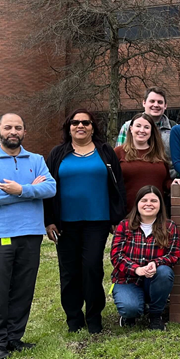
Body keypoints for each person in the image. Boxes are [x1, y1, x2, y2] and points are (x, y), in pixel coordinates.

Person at [0, 113, 57, 359]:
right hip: (0, 236)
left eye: (18, 127)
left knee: (23, 290)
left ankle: (13, 338)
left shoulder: (37, 160)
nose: (13, 131)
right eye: (8, 127)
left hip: (31, 234)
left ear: (24, 132)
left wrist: (19, 189)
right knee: (0, 291)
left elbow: (50, 188)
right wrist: (33, 190)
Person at [45, 110, 127, 334]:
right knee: (69, 272)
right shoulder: (57, 154)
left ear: (93, 127)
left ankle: (94, 317)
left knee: (92, 268)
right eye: (75, 122)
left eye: (85, 122)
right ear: (69, 127)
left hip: (97, 222)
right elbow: (47, 188)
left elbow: (117, 185)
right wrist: (49, 220)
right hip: (65, 223)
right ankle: (73, 318)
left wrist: (115, 218)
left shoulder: (105, 152)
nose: (80, 125)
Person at [110, 185, 180, 331]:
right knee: (131, 308)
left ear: (160, 204)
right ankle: (131, 312)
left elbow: (174, 255)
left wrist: (156, 263)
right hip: (127, 279)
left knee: (164, 272)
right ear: (137, 204)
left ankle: (155, 315)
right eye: (144, 200)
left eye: (154, 200)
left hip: (154, 277)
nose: (149, 204)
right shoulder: (124, 225)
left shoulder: (169, 226)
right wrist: (137, 270)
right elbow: (116, 256)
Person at [114, 113, 180, 211]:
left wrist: (173, 183)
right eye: (138, 126)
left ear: (151, 131)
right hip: (127, 212)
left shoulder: (159, 153)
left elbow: (164, 181)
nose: (142, 130)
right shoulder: (118, 152)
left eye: (146, 127)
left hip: (154, 213)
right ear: (131, 128)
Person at [116, 87, 173, 154]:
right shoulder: (128, 126)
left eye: (160, 102)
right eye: (152, 101)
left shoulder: (174, 128)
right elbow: (119, 156)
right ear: (144, 103)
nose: (156, 105)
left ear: (165, 106)